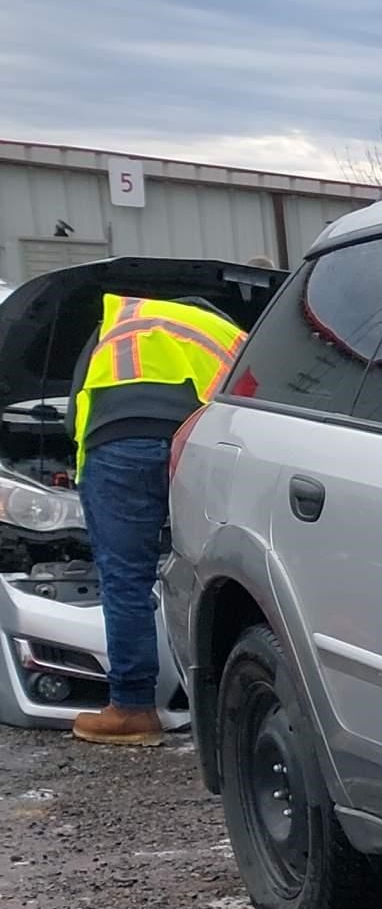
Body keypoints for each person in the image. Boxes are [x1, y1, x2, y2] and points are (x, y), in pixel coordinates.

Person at [68, 293, 246, 746]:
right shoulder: (231, 336)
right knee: (232, 570)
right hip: (203, 445)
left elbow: (78, 406)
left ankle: (132, 709)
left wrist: (84, 471)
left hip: (119, 444)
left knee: (126, 579)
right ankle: (238, 705)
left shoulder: (119, 321)